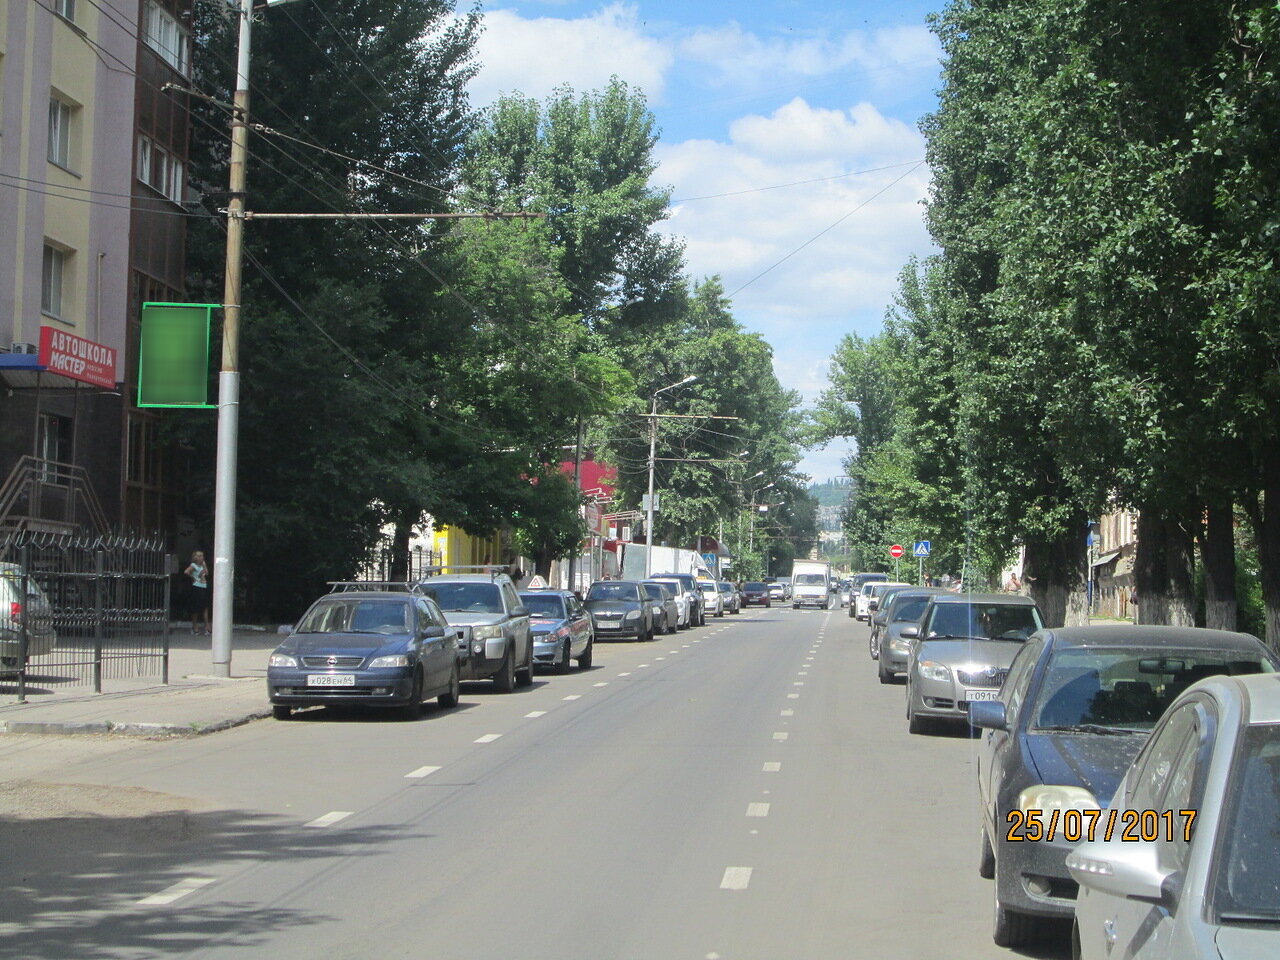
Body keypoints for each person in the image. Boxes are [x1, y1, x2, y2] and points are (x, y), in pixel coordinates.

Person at [185, 550, 210, 635]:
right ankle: (195, 626)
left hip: (204, 586)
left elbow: (206, 573)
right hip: (196, 587)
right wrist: (193, 578)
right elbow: (186, 572)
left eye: (202, 556)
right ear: (195, 558)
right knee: (195, 607)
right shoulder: (193, 565)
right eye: (199, 556)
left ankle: (207, 626)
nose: (201, 558)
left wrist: (204, 565)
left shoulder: (202, 565)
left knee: (205, 607)